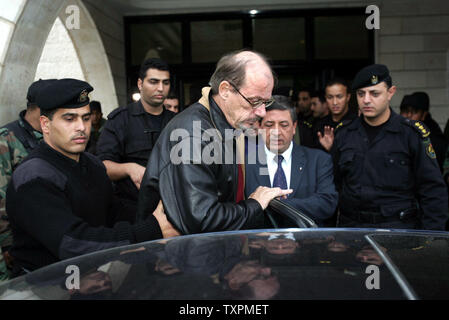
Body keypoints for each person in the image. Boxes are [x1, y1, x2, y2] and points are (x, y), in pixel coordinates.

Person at [5, 79, 177, 276]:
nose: (81, 127)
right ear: (45, 124)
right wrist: (153, 229)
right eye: (69, 119)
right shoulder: (34, 176)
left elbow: (113, 213)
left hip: (89, 279)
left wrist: (166, 212)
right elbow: (74, 243)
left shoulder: (92, 164)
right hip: (43, 286)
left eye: (86, 118)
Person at [137, 50, 292, 235]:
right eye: (254, 101)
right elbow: (202, 220)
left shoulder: (228, 125)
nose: (261, 112)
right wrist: (254, 205)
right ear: (225, 90)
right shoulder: (192, 136)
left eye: (265, 102)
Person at [332, 64, 448, 230]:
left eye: (374, 93)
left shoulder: (410, 134)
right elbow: (333, 187)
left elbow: (433, 191)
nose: (366, 100)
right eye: (361, 93)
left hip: (399, 231)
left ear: (390, 92)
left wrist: (430, 239)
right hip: (353, 230)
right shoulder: (344, 134)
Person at [96, 58, 176, 220]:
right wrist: (129, 168)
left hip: (171, 209)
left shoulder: (179, 121)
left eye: (165, 83)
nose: (160, 88)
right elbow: (102, 166)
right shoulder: (120, 120)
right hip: (129, 211)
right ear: (140, 84)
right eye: (153, 82)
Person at [244, 100, 338, 226]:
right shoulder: (244, 163)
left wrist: (273, 204)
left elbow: (327, 203)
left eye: (284, 125)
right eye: (269, 124)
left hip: (305, 241)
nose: (276, 132)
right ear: (260, 127)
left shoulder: (318, 160)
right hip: (259, 241)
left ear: (294, 127)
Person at [0, 78, 56, 282]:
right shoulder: (6, 139)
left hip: (51, 238)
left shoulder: (55, 136)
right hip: (21, 243)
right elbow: (1, 196)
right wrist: (8, 244)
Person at [400, 92, 448, 172]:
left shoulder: (433, 139)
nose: (408, 115)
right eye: (405, 111)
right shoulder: (398, 131)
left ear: (424, 115)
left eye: (414, 112)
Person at [316, 78, 358, 151]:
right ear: (326, 98)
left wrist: (332, 148)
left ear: (348, 97)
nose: (335, 102)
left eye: (339, 97)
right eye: (330, 97)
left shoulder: (357, 123)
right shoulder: (320, 125)